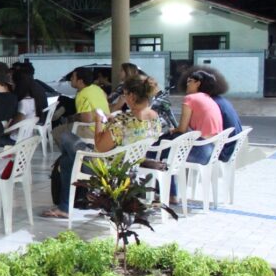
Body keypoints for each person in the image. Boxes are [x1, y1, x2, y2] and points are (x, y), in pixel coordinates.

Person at [41, 75, 161, 219]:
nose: (124, 98)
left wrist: (99, 121)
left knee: (66, 137)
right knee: (67, 160)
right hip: (131, 164)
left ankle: (65, 207)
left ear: (132, 96)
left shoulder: (122, 121)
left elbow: (100, 147)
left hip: (107, 167)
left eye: (125, 95)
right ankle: (64, 207)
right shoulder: (154, 117)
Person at [169, 70, 224, 197]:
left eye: (190, 81)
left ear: (198, 83)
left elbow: (182, 129)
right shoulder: (209, 99)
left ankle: (170, 194)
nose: (187, 84)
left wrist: (173, 130)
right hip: (213, 150)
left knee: (163, 154)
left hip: (202, 150)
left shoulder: (190, 98)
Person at [53, 66, 111, 141]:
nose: (70, 79)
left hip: (92, 129)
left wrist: (74, 117)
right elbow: (106, 99)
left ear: (80, 81)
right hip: (106, 128)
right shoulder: (97, 88)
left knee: (56, 132)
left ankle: (77, 148)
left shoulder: (82, 95)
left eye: (73, 77)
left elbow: (87, 119)